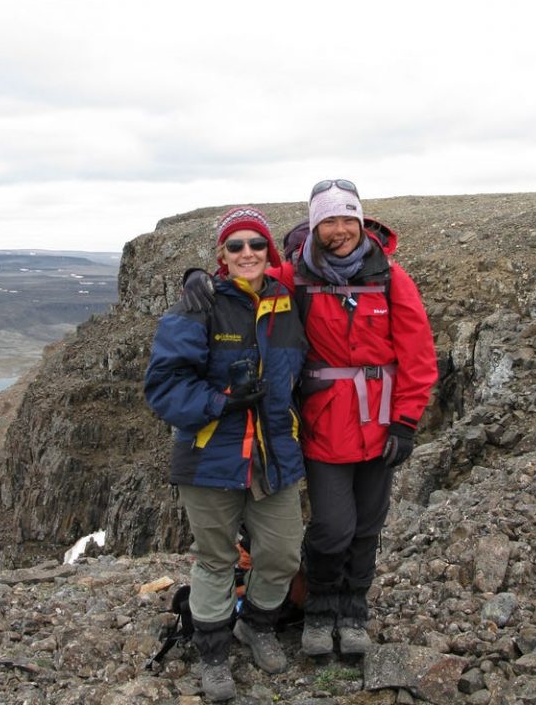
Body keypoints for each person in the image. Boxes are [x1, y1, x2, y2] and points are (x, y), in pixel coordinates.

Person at [183, 180, 438, 657]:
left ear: (362, 223)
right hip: (324, 426)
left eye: (348, 219)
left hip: (380, 423)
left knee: (367, 527)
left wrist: (405, 422)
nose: (339, 230)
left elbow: (419, 354)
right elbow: (246, 272)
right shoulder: (296, 275)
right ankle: (319, 610)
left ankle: (353, 611)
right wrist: (199, 276)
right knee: (332, 527)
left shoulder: (389, 277)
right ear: (314, 226)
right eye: (328, 221)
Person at [144, 206, 308, 702]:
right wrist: (221, 402)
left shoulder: (286, 300)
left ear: (269, 252)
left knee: (281, 553)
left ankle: (255, 626)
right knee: (216, 560)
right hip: (211, 456)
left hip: (275, 455)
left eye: (256, 244)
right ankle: (212, 653)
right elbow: (163, 387)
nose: (247, 254)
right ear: (222, 255)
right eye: (235, 246)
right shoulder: (198, 306)